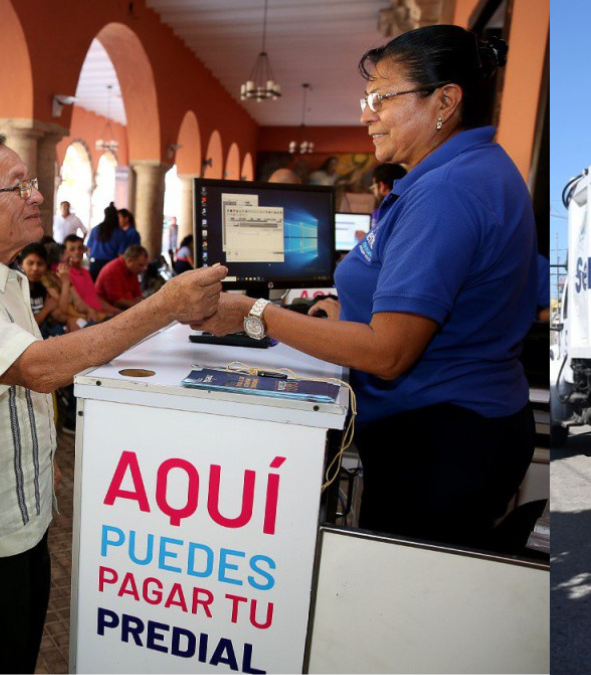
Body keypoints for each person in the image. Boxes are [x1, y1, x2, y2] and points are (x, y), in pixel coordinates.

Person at [193, 25, 535, 550]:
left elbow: (390, 353)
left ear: (445, 100)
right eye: (365, 98)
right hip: (464, 424)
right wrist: (343, 306)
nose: (365, 114)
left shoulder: (447, 191)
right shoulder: (467, 171)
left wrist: (253, 312)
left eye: (381, 98)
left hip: (441, 441)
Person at [0, 133, 225, 673]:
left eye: (32, 182)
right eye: (19, 187)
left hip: (23, 509)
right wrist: (165, 306)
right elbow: (39, 367)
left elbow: (18, 387)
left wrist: (40, 457)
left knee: (14, 655)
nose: (37, 196)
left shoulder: (2, 275)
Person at [57, 234, 120, 320]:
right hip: (89, 318)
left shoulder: (85, 272)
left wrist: (115, 310)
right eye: (72, 249)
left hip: (101, 315)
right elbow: (75, 305)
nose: (77, 252)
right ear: (65, 252)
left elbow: (96, 299)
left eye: (80, 248)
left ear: (83, 250)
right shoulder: (65, 274)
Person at [17, 242, 72, 337]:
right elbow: (25, 327)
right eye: (30, 263)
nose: (35, 268)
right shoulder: (16, 289)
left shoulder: (42, 287)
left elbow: (58, 312)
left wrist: (71, 320)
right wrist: (46, 309)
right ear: (21, 265)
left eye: (40, 264)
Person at [86, 203, 140, 279]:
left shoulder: (95, 229)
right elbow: (121, 254)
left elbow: (89, 249)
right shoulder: (120, 232)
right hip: (111, 266)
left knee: (94, 289)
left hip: (95, 265)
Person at [95, 244, 148, 309]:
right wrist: (142, 307)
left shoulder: (132, 271)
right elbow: (117, 301)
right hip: (110, 311)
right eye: (140, 265)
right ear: (129, 261)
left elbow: (137, 295)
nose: (144, 268)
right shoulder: (112, 270)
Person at [369, 162, 406, 228]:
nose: (374, 191)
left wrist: (366, 237)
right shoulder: (407, 205)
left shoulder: (387, 212)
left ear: (382, 186)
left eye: (373, 187)